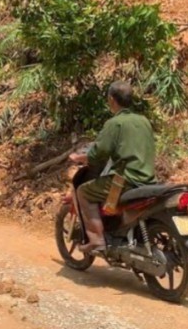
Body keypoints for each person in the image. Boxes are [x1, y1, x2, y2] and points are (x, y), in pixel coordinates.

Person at [68, 80, 157, 253]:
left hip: (126, 179)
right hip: (148, 178)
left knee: (83, 192)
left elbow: (98, 153)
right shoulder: (144, 121)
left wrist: (79, 157)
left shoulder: (115, 123)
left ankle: (96, 240)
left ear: (111, 99)